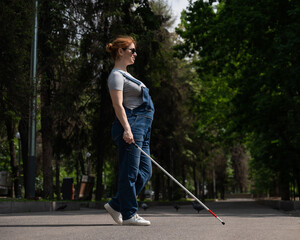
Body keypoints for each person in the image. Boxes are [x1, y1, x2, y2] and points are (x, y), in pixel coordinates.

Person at [104, 36, 154, 226]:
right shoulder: (116, 75)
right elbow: (118, 105)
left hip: (143, 128)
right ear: (120, 52)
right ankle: (129, 214)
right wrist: (126, 129)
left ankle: (116, 204)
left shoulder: (129, 76)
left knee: (145, 171)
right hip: (131, 125)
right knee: (130, 172)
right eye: (132, 50)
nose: (135, 54)